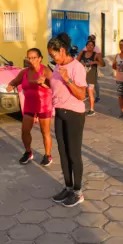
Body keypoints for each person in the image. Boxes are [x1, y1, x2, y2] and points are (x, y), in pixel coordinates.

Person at [45, 33, 88, 207]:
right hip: (60, 113)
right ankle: (68, 187)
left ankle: (78, 192)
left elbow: (81, 94)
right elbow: (56, 87)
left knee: (73, 153)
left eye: (53, 55)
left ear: (62, 50)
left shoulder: (76, 67)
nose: (52, 58)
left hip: (74, 114)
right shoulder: (57, 66)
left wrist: (67, 79)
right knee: (63, 153)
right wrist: (45, 83)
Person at [6, 48, 53, 166]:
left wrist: (45, 83)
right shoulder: (24, 72)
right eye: (29, 57)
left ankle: (48, 155)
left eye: (33, 58)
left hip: (44, 105)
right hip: (29, 105)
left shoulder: (46, 71)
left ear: (40, 58)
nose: (31, 60)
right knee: (25, 131)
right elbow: (15, 81)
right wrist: (11, 85)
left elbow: (55, 85)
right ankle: (28, 152)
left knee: (45, 132)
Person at [79, 40, 105, 116]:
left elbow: (103, 64)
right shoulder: (82, 53)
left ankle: (92, 109)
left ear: (94, 47)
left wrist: (95, 62)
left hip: (91, 76)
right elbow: (76, 61)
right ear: (86, 46)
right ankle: (80, 108)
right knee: (82, 93)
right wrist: (81, 63)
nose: (90, 46)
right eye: (88, 45)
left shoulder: (96, 55)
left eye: (92, 45)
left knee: (90, 92)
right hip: (81, 76)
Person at [78, 34, 101, 101]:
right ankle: (87, 94)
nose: (90, 40)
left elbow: (99, 58)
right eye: (89, 39)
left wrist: (94, 62)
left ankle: (98, 96)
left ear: (94, 40)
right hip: (85, 67)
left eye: (92, 39)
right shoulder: (85, 47)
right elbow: (82, 55)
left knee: (95, 82)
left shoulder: (96, 48)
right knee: (85, 81)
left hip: (93, 68)